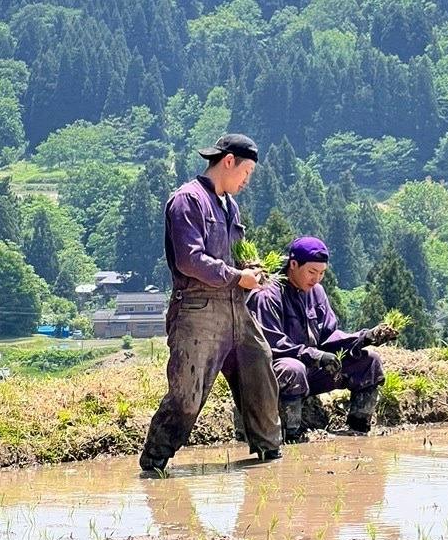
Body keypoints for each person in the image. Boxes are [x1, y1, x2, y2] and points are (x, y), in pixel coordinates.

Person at [139, 133, 283, 474]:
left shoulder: (229, 205)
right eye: (246, 172)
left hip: (235, 307)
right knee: (187, 396)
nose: (247, 180)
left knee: (259, 367)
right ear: (229, 162)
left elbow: (233, 256)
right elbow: (190, 260)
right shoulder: (187, 200)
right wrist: (237, 276)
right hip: (198, 310)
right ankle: (154, 462)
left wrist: (250, 270)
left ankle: (270, 454)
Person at [247, 235, 399, 440]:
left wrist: (364, 338)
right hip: (276, 374)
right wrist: (314, 355)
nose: (317, 279)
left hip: (311, 370)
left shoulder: (316, 292)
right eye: (312, 272)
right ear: (293, 264)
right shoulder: (267, 295)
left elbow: (330, 335)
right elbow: (273, 344)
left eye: (322, 273)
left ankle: (358, 431)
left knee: (370, 361)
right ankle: (291, 437)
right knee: (293, 368)